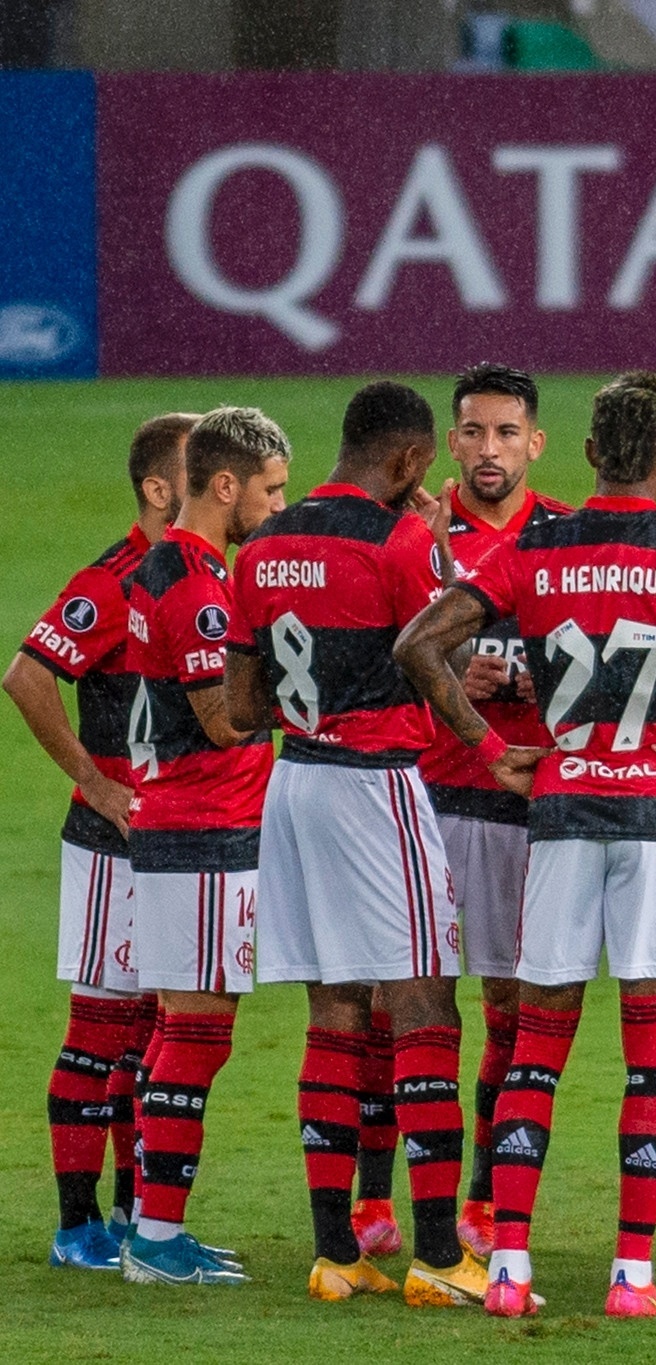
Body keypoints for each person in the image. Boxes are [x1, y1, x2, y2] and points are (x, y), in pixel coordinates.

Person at [394, 372, 656, 1319]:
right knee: (654, 1054)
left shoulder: (534, 545)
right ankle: (630, 1275)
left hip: (563, 809)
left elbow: (419, 642)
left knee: (535, 1045)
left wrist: (491, 751)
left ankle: (509, 1269)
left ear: (584, 455)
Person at [224, 381, 490, 1308]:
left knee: (333, 1011)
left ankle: (337, 1251)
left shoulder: (259, 543)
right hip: (377, 786)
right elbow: (443, 657)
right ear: (414, 461)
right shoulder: (403, 540)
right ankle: (438, 1255)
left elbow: (242, 704)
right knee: (425, 1007)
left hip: (291, 782)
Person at [4, 414, 193, 1271]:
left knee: (158, 1033)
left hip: (182, 837)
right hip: (113, 841)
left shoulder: (203, 576)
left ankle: (133, 1217)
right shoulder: (111, 581)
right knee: (100, 1030)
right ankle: (78, 1225)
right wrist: (95, 780)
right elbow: (27, 674)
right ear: (158, 490)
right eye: (204, 468)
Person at [120, 407, 290, 1287]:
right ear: (225, 485)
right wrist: (303, 696)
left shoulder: (171, 566)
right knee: (196, 1032)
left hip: (183, 829)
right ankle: (154, 1236)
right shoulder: (195, 583)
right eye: (270, 489)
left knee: (183, 1032)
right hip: (203, 830)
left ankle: (150, 1225)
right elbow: (222, 722)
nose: (277, 505)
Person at [415, 362, 572, 1260]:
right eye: (472, 431)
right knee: (409, 1001)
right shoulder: (420, 536)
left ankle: (479, 1195)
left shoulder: (560, 536)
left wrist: (521, 675)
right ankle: (375, 1201)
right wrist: (444, 674)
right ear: (451, 440)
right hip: (436, 795)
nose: (487, 449)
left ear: (534, 443)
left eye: (505, 433)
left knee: (511, 1003)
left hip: (525, 800)